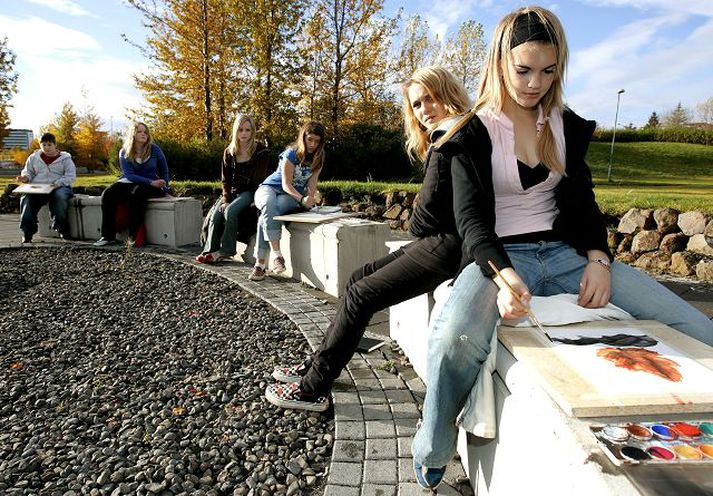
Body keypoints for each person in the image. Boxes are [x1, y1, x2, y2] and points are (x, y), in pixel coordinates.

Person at [410, 6, 713, 490]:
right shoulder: (472, 131)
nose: (535, 83)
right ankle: (433, 447)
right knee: (451, 343)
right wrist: (503, 276)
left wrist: (598, 258)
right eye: (524, 69)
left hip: (565, 255)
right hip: (501, 258)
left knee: (695, 325)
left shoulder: (564, 125)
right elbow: (470, 220)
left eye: (548, 71)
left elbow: (584, 205)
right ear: (500, 62)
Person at [263, 66, 471, 413]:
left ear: (448, 92)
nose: (424, 110)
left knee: (361, 294)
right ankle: (316, 366)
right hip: (438, 239)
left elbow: (423, 219)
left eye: (430, 98)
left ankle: (314, 388)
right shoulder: (447, 136)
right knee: (359, 279)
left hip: (447, 246)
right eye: (417, 105)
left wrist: (422, 211)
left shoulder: (451, 140)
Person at [248, 121, 326, 281]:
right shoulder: (291, 153)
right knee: (269, 204)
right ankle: (277, 256)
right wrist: (302, 199)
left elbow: (312, 184)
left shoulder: (319, 157)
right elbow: (286, 183)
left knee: (267, 214)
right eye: (309, 139)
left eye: (317, 141)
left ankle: (260, 265)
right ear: (303, 138)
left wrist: (311, 198)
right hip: (270, 188)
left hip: (288, 196)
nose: (312, 144)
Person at [196, 114, 269, 263]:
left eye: (247, 130)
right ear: (235, 131)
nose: (244, 133)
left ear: (252, 131)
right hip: (233, 191)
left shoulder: (261, 151)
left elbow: (259, 181)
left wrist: (256, 199)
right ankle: (210, 250)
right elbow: (225, 180)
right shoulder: (229, 152)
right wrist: (226, 199)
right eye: (240, 130)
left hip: (251, 192)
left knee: (231, 211)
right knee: (216, 216)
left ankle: (227, 250)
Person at [94, 122, 169, 246]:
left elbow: (164, 171)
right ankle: (107, 236)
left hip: (151, 184)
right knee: (108, 194)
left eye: (145, 132)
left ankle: (133, 237)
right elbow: (129, 175)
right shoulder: (124, 151)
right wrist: (151, 182)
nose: (143, 134)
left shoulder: (155, 150)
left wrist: (165, 187)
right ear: (133, 134)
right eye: (139, 131)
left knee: (137, 195)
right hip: (132, 181)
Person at [16, 132, 76, 243]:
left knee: (60, 196)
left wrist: (58, 183)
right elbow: (28, 172)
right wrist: (25, 178)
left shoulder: (65, 158)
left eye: (49, 145)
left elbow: (70, 176)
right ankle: (27, 232)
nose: (46, 148)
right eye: (43, 145)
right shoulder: (33, 158)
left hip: (59, 187)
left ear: (55, 145)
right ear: (40, 145)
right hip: (39, 188)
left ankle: (62, 228)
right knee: (26, 199)